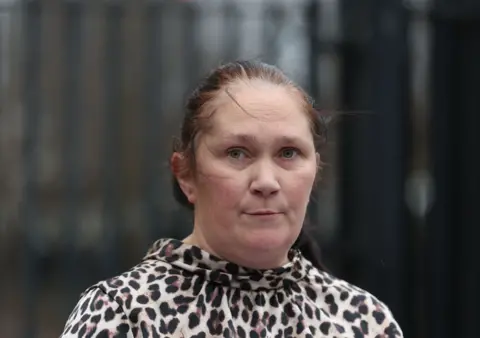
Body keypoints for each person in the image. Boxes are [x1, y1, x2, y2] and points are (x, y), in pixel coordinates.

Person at [60, 60, 403, 338]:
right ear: (185, 174)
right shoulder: (122, 314)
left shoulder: (363, 321)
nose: (266, 182)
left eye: (288, 152)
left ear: (315, 170)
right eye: (237, 153)